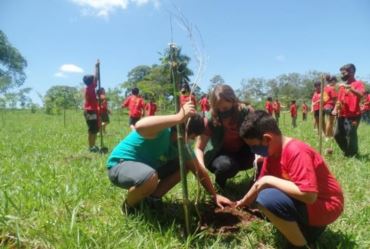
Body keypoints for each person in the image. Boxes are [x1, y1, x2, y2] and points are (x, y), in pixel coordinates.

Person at [236, 110, 344, 248]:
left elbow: (309, 195)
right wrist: (244, 202)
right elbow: (259, 184)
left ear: (267, 139)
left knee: (267, 198)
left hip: (325, 206)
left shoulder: (296, 151)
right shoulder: (272, 153)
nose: (252, 151)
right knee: (262, 199)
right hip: (309, 206)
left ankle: (300, 246)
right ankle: (305, 231)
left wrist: (268, 180)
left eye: (253, 146)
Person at [106, 101, 233, 212]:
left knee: (185, 165)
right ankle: (129, 206)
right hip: (120, 166)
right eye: (192, 137)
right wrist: (178, 117)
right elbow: (139, 126)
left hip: (147, 172)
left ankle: (152, 199)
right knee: (149, 176)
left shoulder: (183, 146)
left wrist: (214, 195)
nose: (191, 141)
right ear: (188, 133)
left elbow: (199, 171)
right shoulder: (161, 131)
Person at [194, 84, 255, 188]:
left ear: (233, 101)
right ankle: (220, 185)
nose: (222, 111)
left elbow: (259, 137)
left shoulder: (246, 112)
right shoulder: (210, 119)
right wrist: (201, 167)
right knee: (226, 166)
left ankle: (257, 181)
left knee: (264, 156)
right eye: (218, 109)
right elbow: (199, 148)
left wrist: (260, 157)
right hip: (219, 155)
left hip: (242, 151)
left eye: (225, 108)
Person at [333, 63, 365, 157]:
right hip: (341, 114)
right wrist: (335, 109)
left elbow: (361, 95)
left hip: (354, 115)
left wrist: (350, 88)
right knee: (337, 134)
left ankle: (352, 154)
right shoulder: (342, 86)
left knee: (351, 134)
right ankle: (347, 150)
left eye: (345, 73)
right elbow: (339, 100)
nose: (343, 75)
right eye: (342, 73)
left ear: (352, 72)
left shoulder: (358, 84)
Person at [83, 60, 99, 153]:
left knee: (95, 129)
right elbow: (96, 77)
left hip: (91, 111)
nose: (94, 80)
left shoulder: (89, 87)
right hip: (90, 111)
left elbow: (96, 78)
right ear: (91, 81)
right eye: (93, 80)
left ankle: (93, 145)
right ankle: (91, 147)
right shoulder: (90, 87)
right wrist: (96, 66)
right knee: (92, 129)